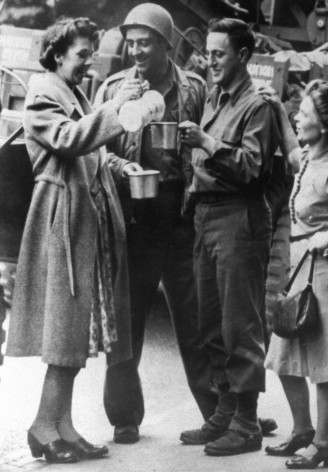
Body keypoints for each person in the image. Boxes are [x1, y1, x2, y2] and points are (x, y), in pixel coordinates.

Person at [6, 17, 142, 462]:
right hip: (63, 220)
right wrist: (118, 109)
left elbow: (95, 156)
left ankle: (63, 425)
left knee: (78, 332)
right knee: (65, 331)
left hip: (84, 222)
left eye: (90, 55)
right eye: (82, 55)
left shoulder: (75, 93)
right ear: (58, 53)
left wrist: (125, 169)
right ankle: (43, 427)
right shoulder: (45, 92)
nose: (89, 63)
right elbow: (69, 141)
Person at [94, 3, 218, 445]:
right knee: (126, 322)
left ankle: (215, 412)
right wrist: (122, 166)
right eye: (131, 42)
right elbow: (95, 149)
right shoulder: (113, 88)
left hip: (181, 216)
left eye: (145, 42)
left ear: (167, 45)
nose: (136, 50)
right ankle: (125, 417)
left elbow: (211, 144)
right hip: (131, 217)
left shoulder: (195, 90)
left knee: (197, 317)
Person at [178, 18, 279, 456]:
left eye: (219, 53)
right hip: (206, 216)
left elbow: (251, 167)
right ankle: (223, 410)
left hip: (238, 217)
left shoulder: (257, 105)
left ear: (242, 56)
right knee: (210, 321)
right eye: (209, 52)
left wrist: (205, 143)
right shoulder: (215, 98)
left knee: (241, 324)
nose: (211, 60)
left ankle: (246, 422)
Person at [264, 79, 328, 470]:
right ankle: (303, 431)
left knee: (323, 363)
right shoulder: (309, 157)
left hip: (327, 271)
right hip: (302, 266)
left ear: (322, 125)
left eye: (303, 114)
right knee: (285, 350)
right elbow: (292, 151)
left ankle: (324, 444)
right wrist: (276, 108)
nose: (297, 117)